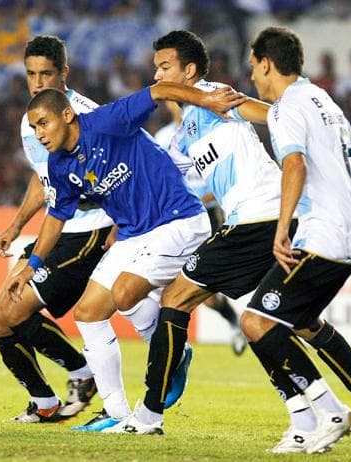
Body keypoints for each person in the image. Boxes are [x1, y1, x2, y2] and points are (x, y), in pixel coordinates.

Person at [6, 81, 244, 432]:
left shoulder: (106, 121)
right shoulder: (58, 165)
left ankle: (172, 356)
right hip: (135, 233)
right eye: (34, 127)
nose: (39, 133)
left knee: (125, 292)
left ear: (67, 115)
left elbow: (160, 89)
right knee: (88, 314)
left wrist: (206, 99)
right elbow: (56, 218)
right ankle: (116, 412)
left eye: (44, 123)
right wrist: (32, 265)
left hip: (177, 220)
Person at [109, 30, 289, 436]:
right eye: (156, 67)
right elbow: (166, 178)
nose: (157, 75)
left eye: (165, 66)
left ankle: (149, 415)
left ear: (189, 71)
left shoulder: (216, 95)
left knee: (176, 300)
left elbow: (269, 115)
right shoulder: (182, 133)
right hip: (245, 222)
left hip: (260, 217)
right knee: (286, 319)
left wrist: (299, 117)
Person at [242, 26, 351, 453]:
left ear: (267, 63)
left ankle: (328, 412)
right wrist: (333, 187)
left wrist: (282, 228)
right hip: (350, 234)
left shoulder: (285, 107)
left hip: (321, 236)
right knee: (306, 324)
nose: (252, 75)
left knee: (256, 322)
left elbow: (294, 165)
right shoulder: (322, 100)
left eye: (253, 67)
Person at [0, 35, 113, 424]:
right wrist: (17, 223)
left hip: (91, 228)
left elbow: (117, 175)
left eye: (46, 74)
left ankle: (86, 374)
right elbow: (43, 178)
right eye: (31, 74)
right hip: (58, 226)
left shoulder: (86, 117)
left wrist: (122, 228)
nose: (38, 82)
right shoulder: (31, 120)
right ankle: (46, 401)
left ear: (64, 74)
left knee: (17, 307)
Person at [154, 100, 247, 357]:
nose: (176, 108)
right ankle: (173, 345)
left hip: (209, 214)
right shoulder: (162, 138)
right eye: (172, 104)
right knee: (174, 287)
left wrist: (193, 198)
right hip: (176, 218)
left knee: (204, 293)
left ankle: (239, 323)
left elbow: (221, 178)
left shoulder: (208, 132)